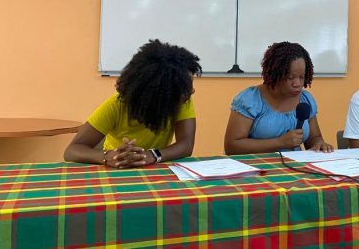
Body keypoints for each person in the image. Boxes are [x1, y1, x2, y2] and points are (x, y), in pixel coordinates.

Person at [64, 39, 201, 168]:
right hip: (116, 169)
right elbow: (71, 151)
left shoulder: (180, 101)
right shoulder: (116, 106)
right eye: (185, 87)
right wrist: (108, 156)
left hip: (155, 168)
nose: (192, 91)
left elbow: (186, 145)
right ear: (161, 95)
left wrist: (152, 155)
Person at [224, 41, 333, 154]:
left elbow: (314, 138)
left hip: (294, 164)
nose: (297, 83)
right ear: (275, 74)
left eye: (302, 77)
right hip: (256, 164)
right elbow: (232, 147)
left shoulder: (305, 99)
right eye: (290, 77)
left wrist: (318, 143)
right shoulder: (250, 99)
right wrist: (280, 142)